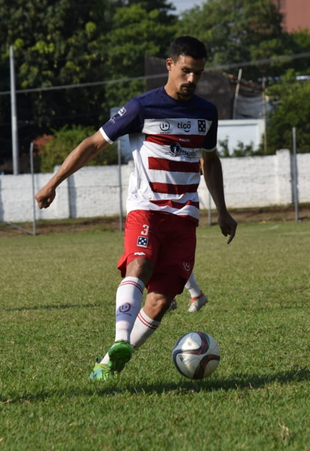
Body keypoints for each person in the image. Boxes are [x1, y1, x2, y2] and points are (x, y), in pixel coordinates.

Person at [35, 36, 237, 380]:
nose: (191, 80)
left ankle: (112, 362)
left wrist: (222, 209)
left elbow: (211, 160)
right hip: (147, 209)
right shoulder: (142, 107)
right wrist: (53, 182)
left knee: (159, 302)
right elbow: (93, 144)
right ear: (170, 65)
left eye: (198, 74)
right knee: (139, 264)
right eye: (186, 71)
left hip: (185, 216)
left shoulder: (207, 113)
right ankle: (119, 339)